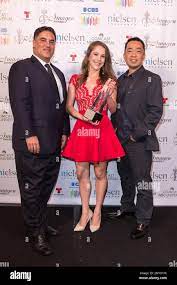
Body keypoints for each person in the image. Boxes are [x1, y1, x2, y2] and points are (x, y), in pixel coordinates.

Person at [8, 26, 70, 255]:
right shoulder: (21, 67)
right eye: (42, 40)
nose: (47, 44)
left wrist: (65, 132)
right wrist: (28, 133)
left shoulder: (58, 73)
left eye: (52, 41)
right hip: (32, 142)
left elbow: (62, 108)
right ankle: (35, 234)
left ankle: (41, 223)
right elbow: (20, 103)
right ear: (33, 43)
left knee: (45, 187)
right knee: (32, 189)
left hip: (54, 144)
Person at [62, 41, 125, 233]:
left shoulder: (110, 81)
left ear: (105, 60)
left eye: (102, 56)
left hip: (101, 129)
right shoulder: (76, 79)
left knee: (100, 173)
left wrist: (107, 94)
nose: (98, 59)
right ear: (88, 55)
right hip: (82, 128)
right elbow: (69, 106)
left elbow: (113, 109)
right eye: (95, 54)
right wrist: (81, 116)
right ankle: (84, 211)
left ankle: (97, 210)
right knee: (81, 173)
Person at [111, 37, 163, 239]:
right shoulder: (118, 81)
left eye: (138, 50)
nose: (133, 54)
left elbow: (155, 111)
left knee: (143, 181)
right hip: (119, 140)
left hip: (139, 141)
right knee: (125, 177)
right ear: (124, 55)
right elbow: (114, 111)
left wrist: (135, 135)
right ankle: (127, 208)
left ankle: (143, 220)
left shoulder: (153, 79)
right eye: (129, 50)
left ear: (143, 55)